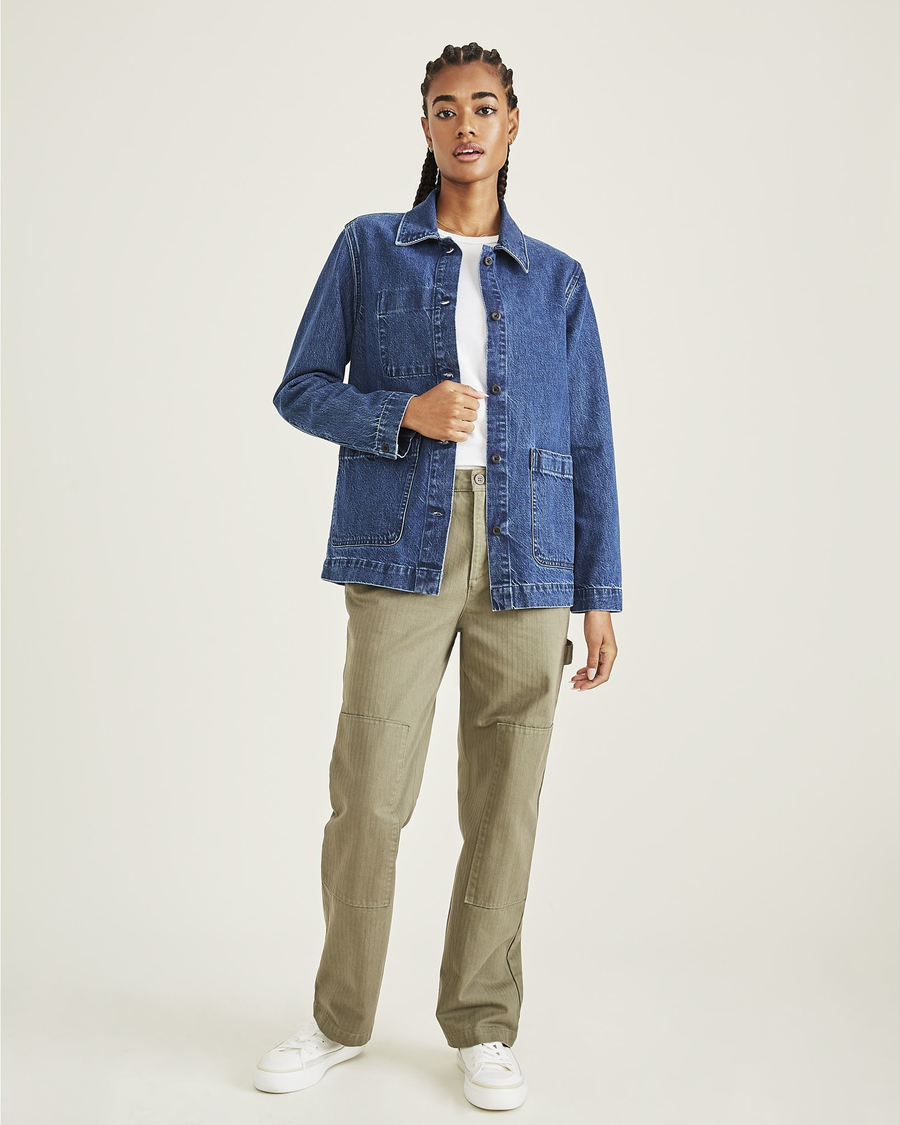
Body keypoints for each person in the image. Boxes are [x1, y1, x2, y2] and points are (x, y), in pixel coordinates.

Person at [254, 41, 622, 1111]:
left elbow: (590, 441)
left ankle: (484, 1023)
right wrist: (401, 413)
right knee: (369, 796)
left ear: (513, 124)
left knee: (506, 803)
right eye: (446, 108)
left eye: (485, 107)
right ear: (424, 126)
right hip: (400, 543)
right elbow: (300, 386)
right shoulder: (369, 247)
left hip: (531, 554)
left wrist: (600, 591)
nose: (467, 125)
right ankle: (340, 1019)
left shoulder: (557, 278)